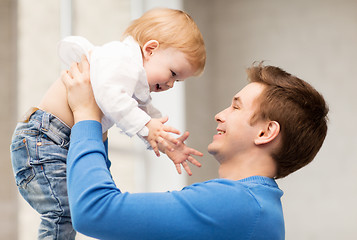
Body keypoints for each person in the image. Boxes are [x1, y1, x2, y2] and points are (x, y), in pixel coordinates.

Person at [62, 58, 328, 240]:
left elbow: (93, 211)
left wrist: (86, 114)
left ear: (265, 132)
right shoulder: (256, 205)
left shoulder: (236, 204)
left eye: (236, 107)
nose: (219, 115)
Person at [10, 8, 206, 240]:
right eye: (173, 73)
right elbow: (110, 98)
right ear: (150, 49)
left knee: (81, 209)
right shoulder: (120, 59)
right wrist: (149, 127)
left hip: (62, 142)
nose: (171, 84)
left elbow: (145, 114)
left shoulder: (134, 81)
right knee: (62, 212)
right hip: (45, 139)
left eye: (178, 80)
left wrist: (165, 140)